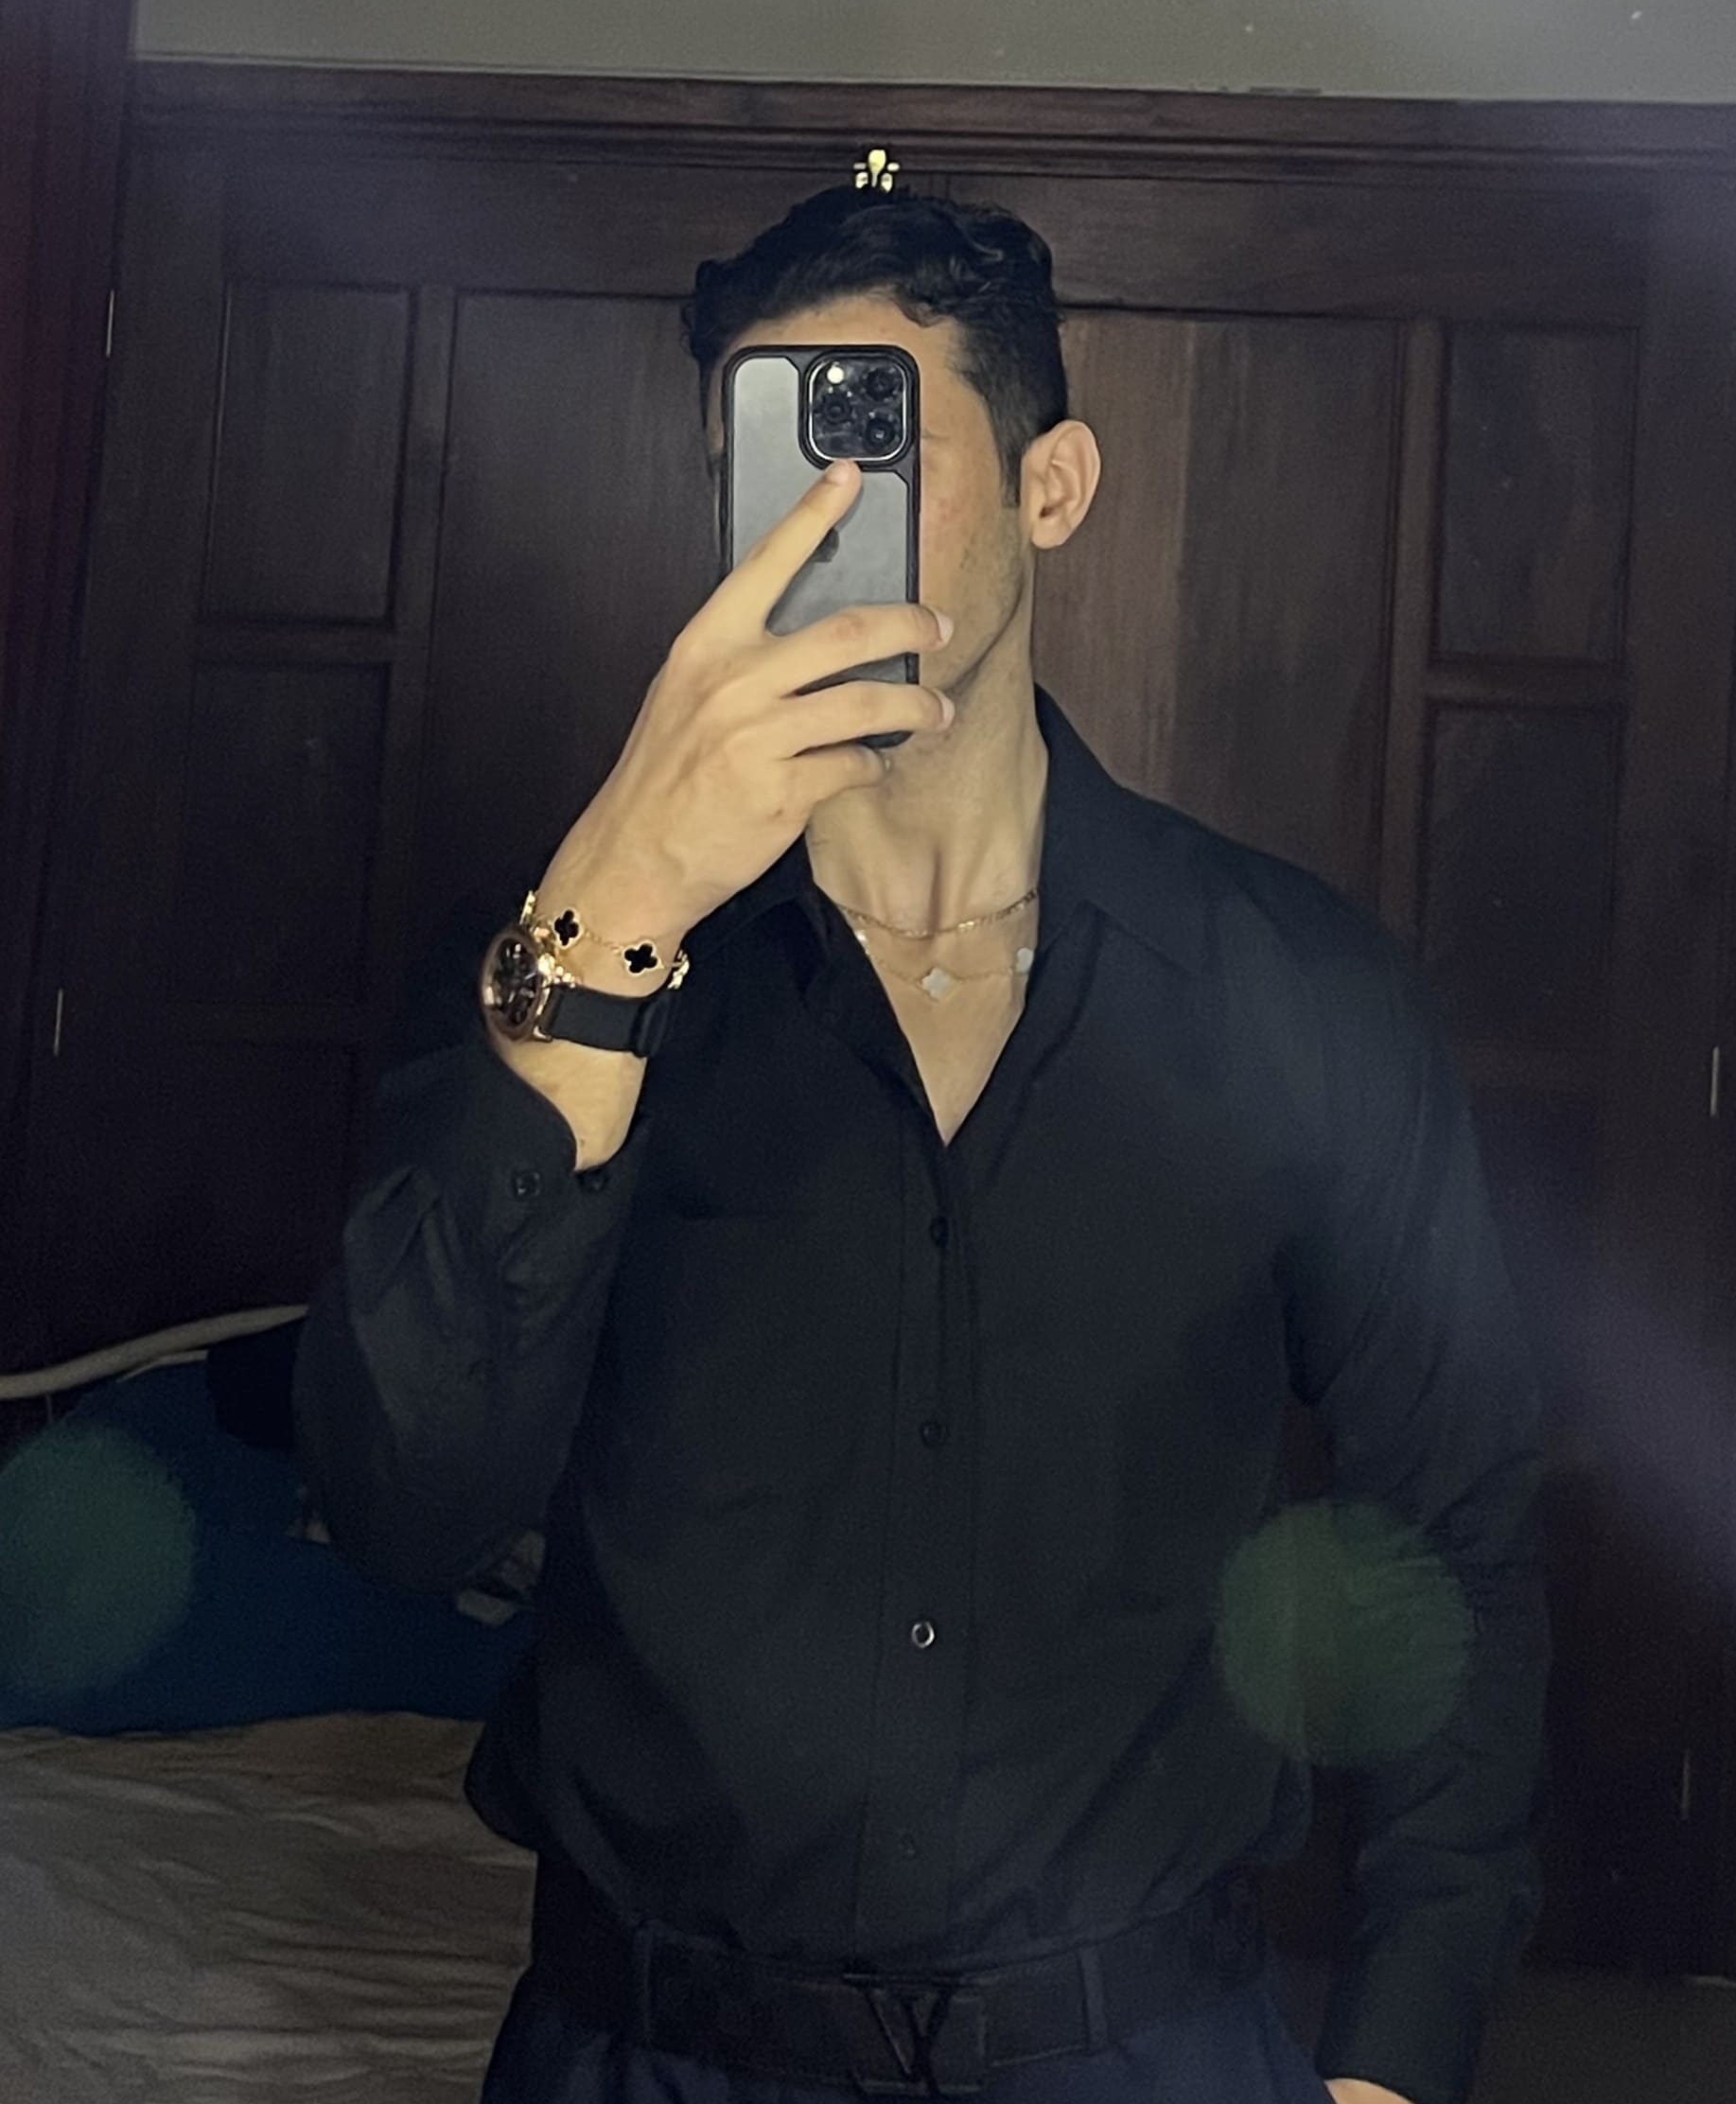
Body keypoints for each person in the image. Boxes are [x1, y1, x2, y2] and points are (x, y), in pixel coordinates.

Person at [294, 183, 1549, 2104]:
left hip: (1145, 2049)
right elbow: (405, 1507)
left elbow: (1454, 1524)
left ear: (1054, 485)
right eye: (762, 460)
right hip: (649, 2051)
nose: (812, 524)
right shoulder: (558, 964)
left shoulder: (1295, 993)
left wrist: (1396, 2055)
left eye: (868, 446)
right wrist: (613, 914)